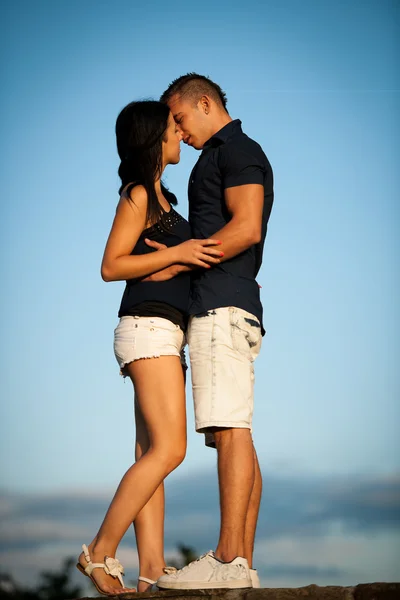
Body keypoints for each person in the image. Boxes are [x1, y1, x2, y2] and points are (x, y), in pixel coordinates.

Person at [76, 99, 223, 596]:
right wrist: (181, 253)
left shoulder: (165, 200)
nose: (179, 134)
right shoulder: (138, 194)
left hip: (161, 329)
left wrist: (183, 265)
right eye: (171, 128)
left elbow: (155, 265)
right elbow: (111, 265)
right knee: (170, 449)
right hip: (148, 329)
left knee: (149, 453)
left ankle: (152, 570)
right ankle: (99, 551)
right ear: (152, 138)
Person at [146, 74, 274, 590]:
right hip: (225, 305)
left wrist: (178, 264)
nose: (177, 130)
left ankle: (227, 557)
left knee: (230, 430)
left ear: (205, 103)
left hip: (223, 306)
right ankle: (239, 560)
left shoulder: (236, 149)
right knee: (233, 430)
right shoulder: (219, 155)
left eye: (178, 118)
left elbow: (247, 226)